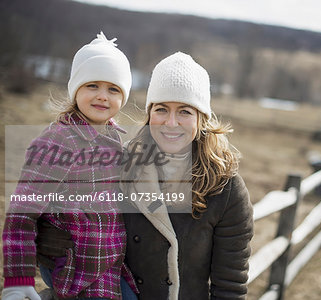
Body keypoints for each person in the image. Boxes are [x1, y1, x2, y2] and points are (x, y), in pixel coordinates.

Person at [36, 52, 254, 299]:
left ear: (201, 117)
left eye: (184, 111)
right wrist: (52, 241)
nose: (171, 123)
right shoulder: (120, 164)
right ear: (150, 114)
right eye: (161, 109)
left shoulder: (225, 188)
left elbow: (230, 286)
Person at [2, 32, 138, 300]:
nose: (102, 96)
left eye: (113, 89)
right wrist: (18, 278)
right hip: (73, 270)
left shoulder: (114, 140)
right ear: (76, 89)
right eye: (92, 86)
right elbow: (21, 214)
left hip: (109, 266)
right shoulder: (57, 141)